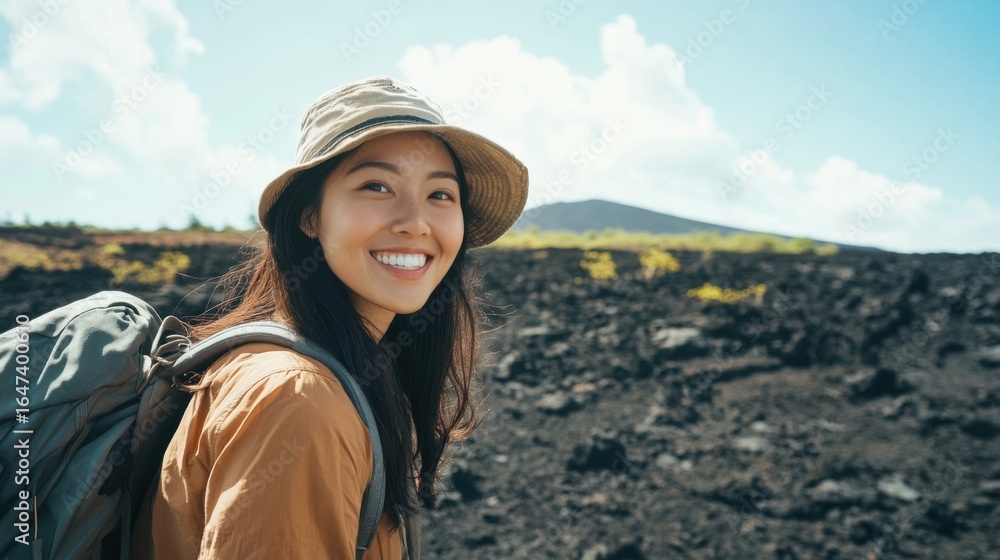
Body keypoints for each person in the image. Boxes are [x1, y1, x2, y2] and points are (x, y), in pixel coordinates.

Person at [130, 76, 528, 559]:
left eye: (440, 194)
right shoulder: (298, 398)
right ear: (309, 217)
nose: (416, 222)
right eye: (376, 186)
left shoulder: (343, 370)